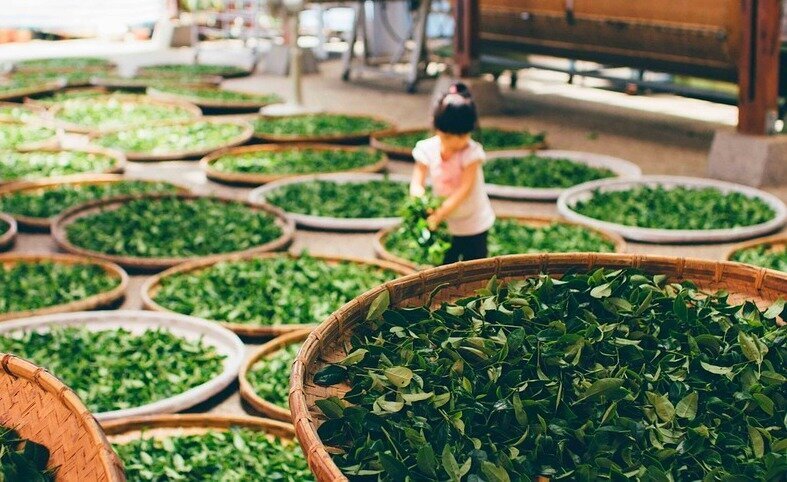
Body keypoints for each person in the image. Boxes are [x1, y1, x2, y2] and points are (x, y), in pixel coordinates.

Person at [409, 82, 496, 264]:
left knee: (475, 267)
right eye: (448, 137)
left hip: (473, 222)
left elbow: (464, 189)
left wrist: (440, 213)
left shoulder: (471, 153)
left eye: (462, 136)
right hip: (446, 224)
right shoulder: (427, 149)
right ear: (437, 129)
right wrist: (422, 202)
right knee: (445, 266)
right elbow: (417, 183)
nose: (456, 142)